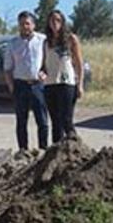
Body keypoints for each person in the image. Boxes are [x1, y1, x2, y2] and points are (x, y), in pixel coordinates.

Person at [3, 11, 49, 151]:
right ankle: (23, 151)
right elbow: (7, 68)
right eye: (22, 24)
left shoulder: (43, 40)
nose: (25, 27)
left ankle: (43, 150)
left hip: (38, 85)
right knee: (21, 122)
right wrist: (12, 87)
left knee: (42, 121)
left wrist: (45, 73)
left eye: (27, 24)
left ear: (33, 25)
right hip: (20, 85)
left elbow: (49, 61)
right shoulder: (13, 44)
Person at [41, 9, 84, 143]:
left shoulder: (71, 39)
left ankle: (76, 147)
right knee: (55, 122)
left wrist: (80, 84)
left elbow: (78, 63)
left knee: (66, 120)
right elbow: (44, 64)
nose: (55, 23)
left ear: (63, 22)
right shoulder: (46, 42)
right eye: (52, 20)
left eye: (58, 20)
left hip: (66, 83)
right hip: (50, 84)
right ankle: (56, 152)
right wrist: (41, 73)